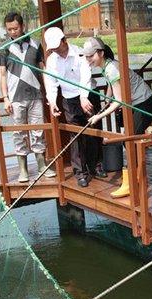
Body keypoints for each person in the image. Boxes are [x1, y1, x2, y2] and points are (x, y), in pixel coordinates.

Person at [84, 37, 152, 198]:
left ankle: (132, 182)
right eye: (86, 56)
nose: (88, 59)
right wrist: (106, 99)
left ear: (101, 53)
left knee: (129, 141)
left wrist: (99, 116)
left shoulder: (111, 68)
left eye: (91, 56)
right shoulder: (107, 65)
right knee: (131, 141)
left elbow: (119, 101)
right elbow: (112, 87)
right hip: (137, 103)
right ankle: (136, 179)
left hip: (145, 103)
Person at [44, 27, 106, 188]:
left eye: (57, 46)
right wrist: (52, 102)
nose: (55, 50)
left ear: (64, 40)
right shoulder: (51, 60)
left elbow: (86, 76)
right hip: (69, 100)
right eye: (52, 48)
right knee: (75, 136)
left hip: (88, 95)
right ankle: (80, 173)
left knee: (94, 131)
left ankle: (96, 166)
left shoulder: (79, 53)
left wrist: (84, 96)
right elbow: (51, 82)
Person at [0, 12, 55, 182]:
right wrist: (5, 97)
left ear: (22, 26)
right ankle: (23, 169)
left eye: (15, 28)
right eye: (9, 29)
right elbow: (2, 74)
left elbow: (43, 69)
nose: (13, 32)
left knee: (38, 131)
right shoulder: (4, 48)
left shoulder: (35, 43)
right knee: (19, 133)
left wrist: (50, 94)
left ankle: (41, 165)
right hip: (16, 97)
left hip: (36, 95)